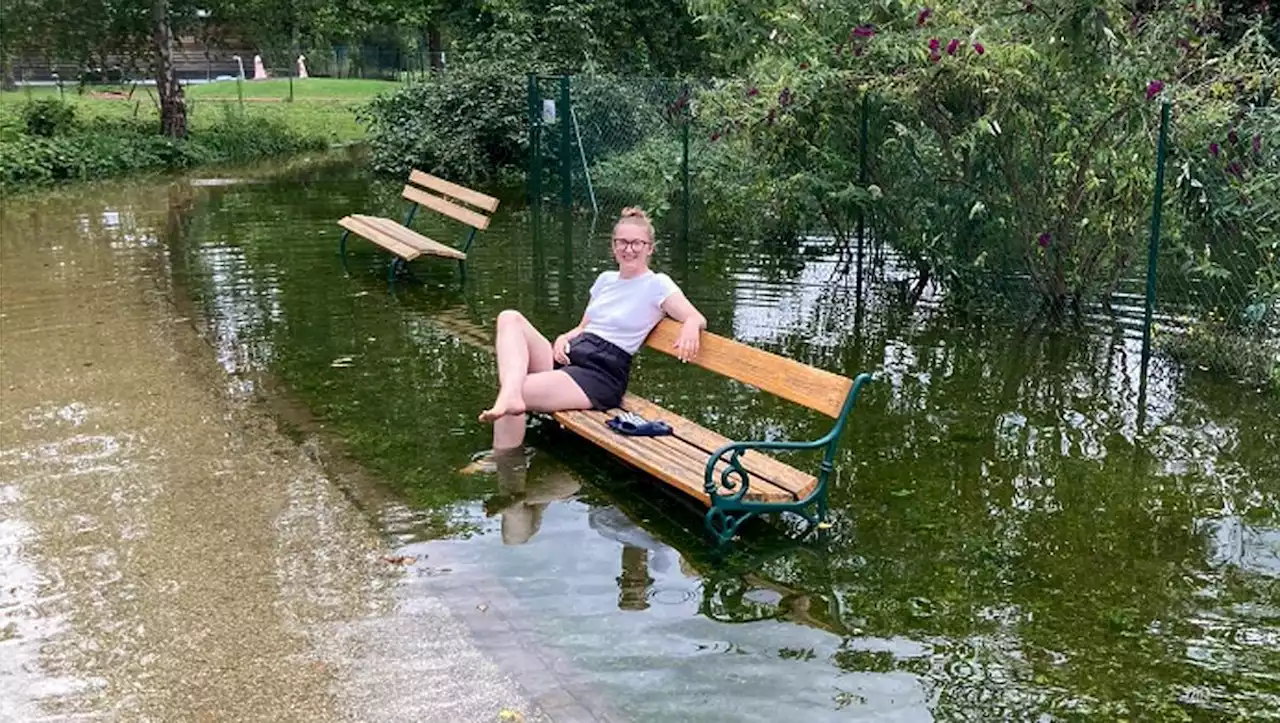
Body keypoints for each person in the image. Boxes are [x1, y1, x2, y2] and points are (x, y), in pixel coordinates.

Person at [479, 207, 706, 451]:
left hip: (601, 372)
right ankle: (509, 400)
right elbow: (582, 327)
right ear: (613, 246)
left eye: (637, 243)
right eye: (622, 242)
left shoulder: (657, 284)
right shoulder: (605, 280)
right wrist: (562, 338)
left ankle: (504, 466)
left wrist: (691, 325)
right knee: (509, 317)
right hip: (571, 356)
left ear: (649, 248)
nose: (629, 249)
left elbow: (695, 317)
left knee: (520, 389)